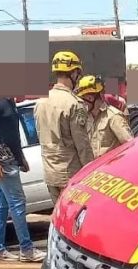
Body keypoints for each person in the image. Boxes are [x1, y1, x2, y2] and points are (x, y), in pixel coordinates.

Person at [0, 97, 46, 263]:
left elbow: (12, 133)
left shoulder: (9, 101)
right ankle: (26, 249)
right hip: (3, 161)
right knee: (17, 203)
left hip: (11, 159)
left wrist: (20, 157)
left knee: (2, 205)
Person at [34, 51, 94, 205]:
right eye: (77, 74)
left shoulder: (40, 101)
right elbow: (83, 146)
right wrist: (93, 173)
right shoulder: (74, 104)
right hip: (70, 174)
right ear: (73, 73)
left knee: (59, 218)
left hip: (50, 173)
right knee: (76, 219)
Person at [75, 75, 133, 158]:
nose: (81, 104)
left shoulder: (113, 116)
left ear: (90, 98)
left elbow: (130, 145)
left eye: (82, 100)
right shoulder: (87, 117)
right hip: (94, 168)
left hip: (110, 168)